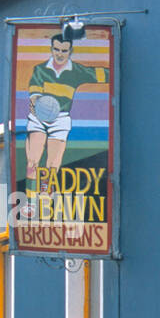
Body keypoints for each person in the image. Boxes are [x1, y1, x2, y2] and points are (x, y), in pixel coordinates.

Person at [25, 27, 107, 198]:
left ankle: (44, 198)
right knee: (33, 160)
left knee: (52, 164)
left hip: (61, 118)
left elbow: (104, 74)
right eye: (56, 49)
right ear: (51, 49)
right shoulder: (40, 70)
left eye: (64, 50)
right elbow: (34, 93)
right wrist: (36, 103)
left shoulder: (77, 71)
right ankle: (30, 199)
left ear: (70, 51)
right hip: (39, 117)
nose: (60, 54)